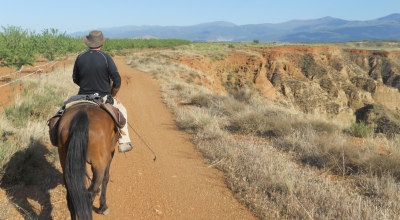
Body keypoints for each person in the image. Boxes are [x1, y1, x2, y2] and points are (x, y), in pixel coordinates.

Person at [71, 30, 133, 153]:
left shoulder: (80, 57)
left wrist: (85, 85)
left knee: (63, 110)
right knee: (122, 110)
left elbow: (75, 78)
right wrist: (113, 95)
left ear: (88, 43)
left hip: (82, 96)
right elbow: (117, 80)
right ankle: (124, 141)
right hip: (103, 97)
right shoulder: (106, 57)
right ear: (102, 44)